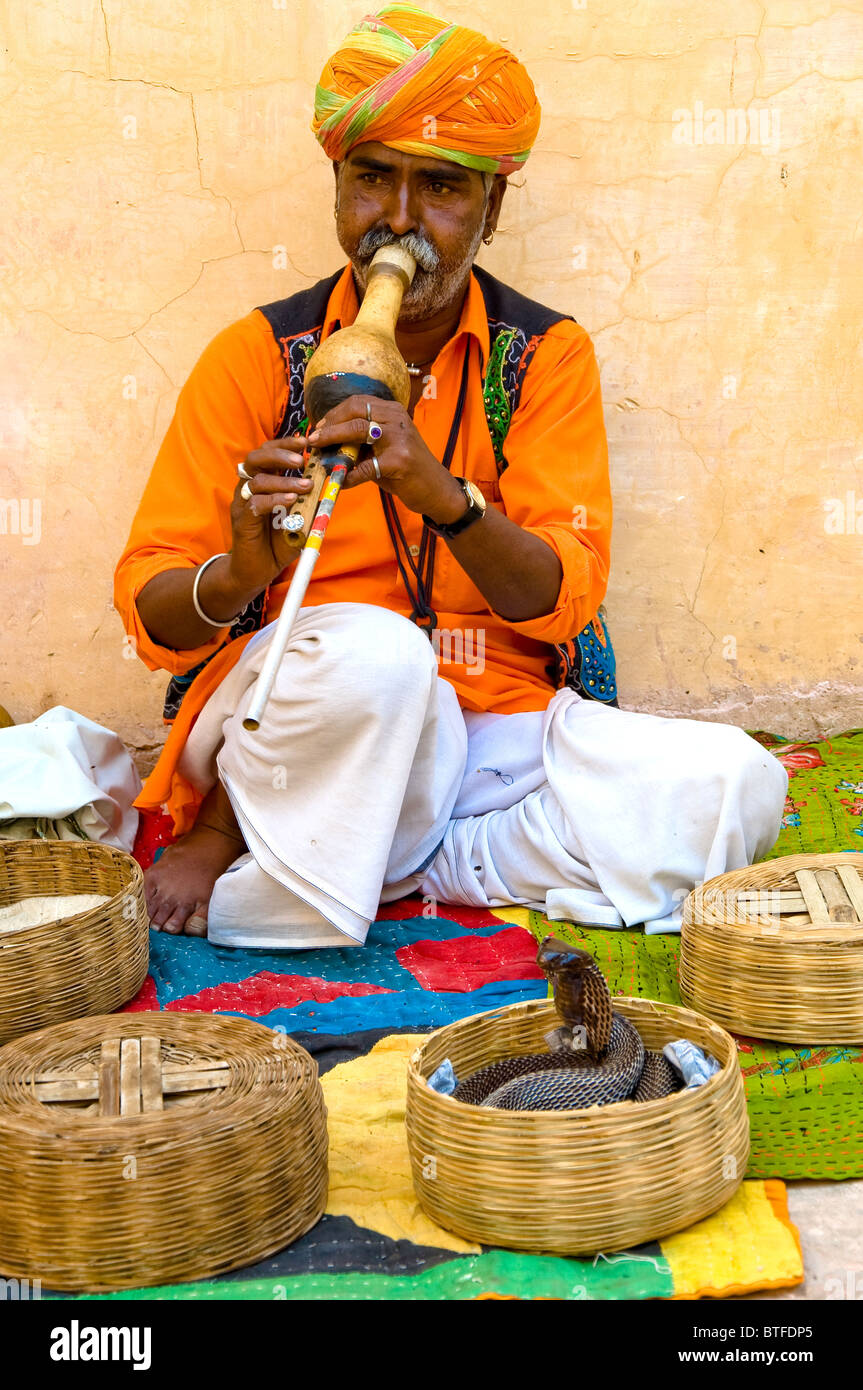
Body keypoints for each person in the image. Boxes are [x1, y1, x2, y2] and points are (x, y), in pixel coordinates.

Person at [114, 4, 788, 949]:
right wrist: (238, 573)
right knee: (381, 658)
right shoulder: (259, 354)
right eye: (371, 181)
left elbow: (557, 596)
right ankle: (266, 834)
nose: (397, 220)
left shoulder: (543, 356)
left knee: (732, 783)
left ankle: (381, 863)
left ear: (491, 208)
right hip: (303, 724)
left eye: (438, 187)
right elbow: (152, 612)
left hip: (485, 730)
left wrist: (445, 496)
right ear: (338, 187)